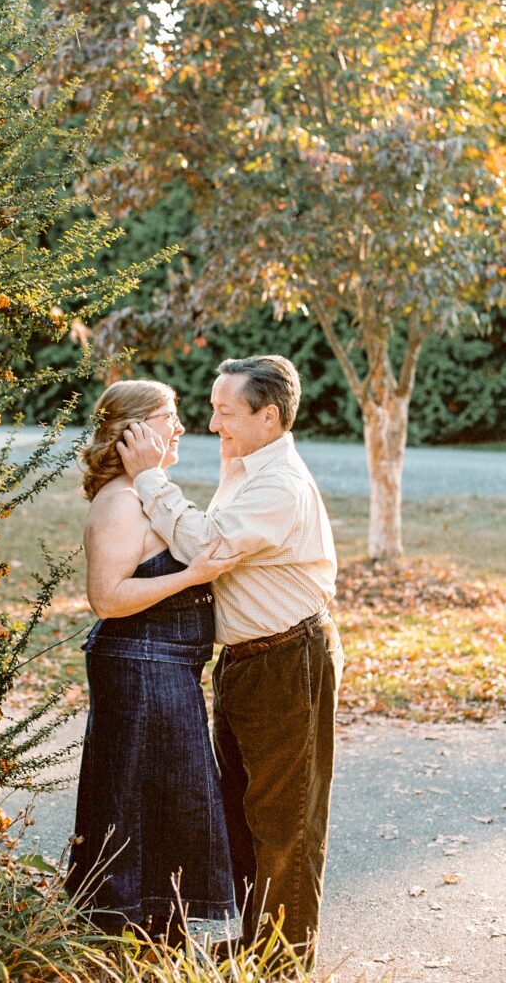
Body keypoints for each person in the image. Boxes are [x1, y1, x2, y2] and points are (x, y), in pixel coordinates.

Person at [117, 355, 344, 971]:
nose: (213, 424)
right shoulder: (246, 465)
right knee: (243, 811)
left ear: (268, 416)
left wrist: (148, 481)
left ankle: (283, 962)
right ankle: (255, 943)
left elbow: (209, 546)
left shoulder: (279, 486)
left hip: (288, 658)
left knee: (286, 820)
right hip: (249, 660)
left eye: (225, 412)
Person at [66, 379, 240, 941]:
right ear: (135, 431)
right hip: (140, 666)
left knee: (171, 794)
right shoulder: (118, 502)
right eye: (170, 416)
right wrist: (192, 577)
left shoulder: (141, 493)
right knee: (138, 795)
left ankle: (160, 930)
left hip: (165, 667)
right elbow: (107, 598)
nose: (183, 427)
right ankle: (124, 929)